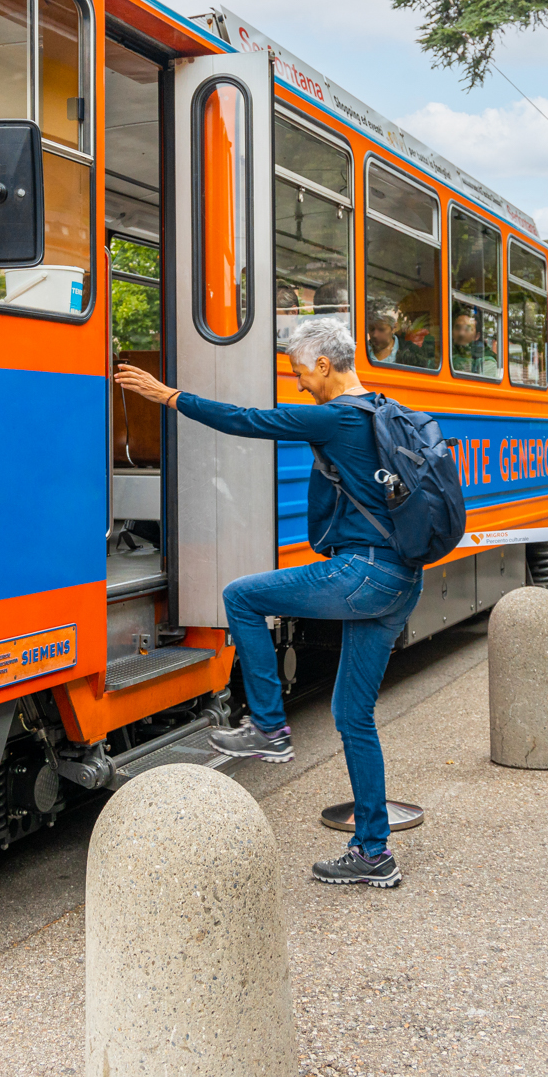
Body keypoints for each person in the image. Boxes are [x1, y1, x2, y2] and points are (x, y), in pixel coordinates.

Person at [114, 317, 421, 888]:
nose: (299, 382)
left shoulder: (333, 417)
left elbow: (246, 421)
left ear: (325, 366)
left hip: (364, 575)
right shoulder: (384, 408)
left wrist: (167, 396)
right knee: (354, 717)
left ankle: (270, 728)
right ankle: (374, 854)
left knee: (242, 597)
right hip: (402, 578)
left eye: (301, 371)